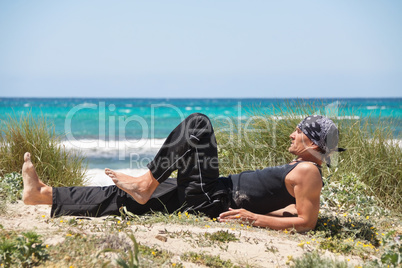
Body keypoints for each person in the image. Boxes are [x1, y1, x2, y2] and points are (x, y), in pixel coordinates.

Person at [21, 113, 342, 232]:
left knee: (198, 125)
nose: (291, 134)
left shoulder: (309, 171)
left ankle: (148, 182)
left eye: (298, 131)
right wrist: (271, 210)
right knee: (125, 198)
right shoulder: (302, 171)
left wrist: (252, 217)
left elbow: (306, 222)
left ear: (312, 140)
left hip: (214, 197)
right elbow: (293, 209)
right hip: (210, 193)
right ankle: (43, 195)